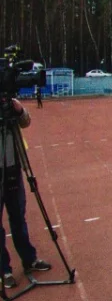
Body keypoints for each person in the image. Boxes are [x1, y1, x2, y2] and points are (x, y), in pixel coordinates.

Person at [2, 99, 51, 290]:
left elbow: (25, 122)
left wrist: (20, 110)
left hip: (14, 167)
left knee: (18, 217)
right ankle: (4, 270)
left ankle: (29, 259)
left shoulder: (10, 102)